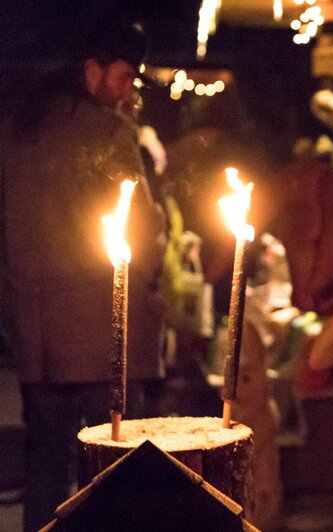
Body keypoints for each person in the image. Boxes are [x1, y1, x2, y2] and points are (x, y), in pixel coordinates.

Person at [0, 21, 165, 531]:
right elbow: (141, 225)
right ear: (91, 71)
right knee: (112, 467)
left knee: (46, 464)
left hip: (36, 335)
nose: (128, 89)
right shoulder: (109, 132)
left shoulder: (14, 129)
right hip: (102, 331)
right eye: (123, 76)